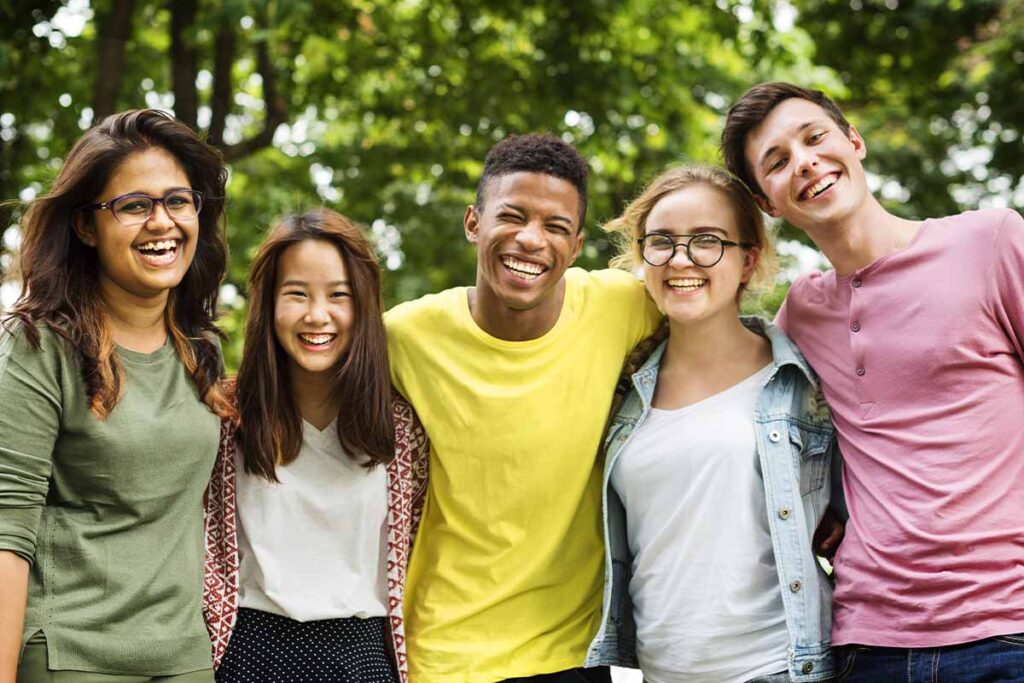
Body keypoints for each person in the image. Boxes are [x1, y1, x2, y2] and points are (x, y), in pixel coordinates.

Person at [722, 82, 1024, 682]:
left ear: (853, 142)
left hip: (1007, 629)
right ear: (769, 203)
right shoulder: (800, 315)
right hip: (866, 644)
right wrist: (824, 506)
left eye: (815, 138)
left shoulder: (990, 241)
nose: (804, 161)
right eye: (777, 162)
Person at [385, 133, 661, 682]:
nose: (531, 240)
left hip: (571, 656)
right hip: (443, 653)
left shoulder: (622, 305)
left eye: (555, 227)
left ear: (577, 244)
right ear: (473, 223)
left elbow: (721, 332)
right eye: (512, 216)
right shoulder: (405, 335)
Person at [0, 109, 232, 682]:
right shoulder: (36, 346)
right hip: (71, 655)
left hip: (183, 656)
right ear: (85, 226)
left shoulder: (201, 351)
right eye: (134, 206)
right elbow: (6, 535)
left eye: (178, 200)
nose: (163, 222)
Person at [584, 165, 840, 683]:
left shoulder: (800, 382)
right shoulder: (621, 392)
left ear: (747, 260)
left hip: (780, 669)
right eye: (662, 242)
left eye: (707, 241)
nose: (681, 259)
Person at [201, 209, 429, 683]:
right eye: (297, 294)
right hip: (248, 654)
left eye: (338, 296)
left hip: (363, 659)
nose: (317, 315)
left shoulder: (401, 429)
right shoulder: (224, 416)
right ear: (269, 304)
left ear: (363, 305)